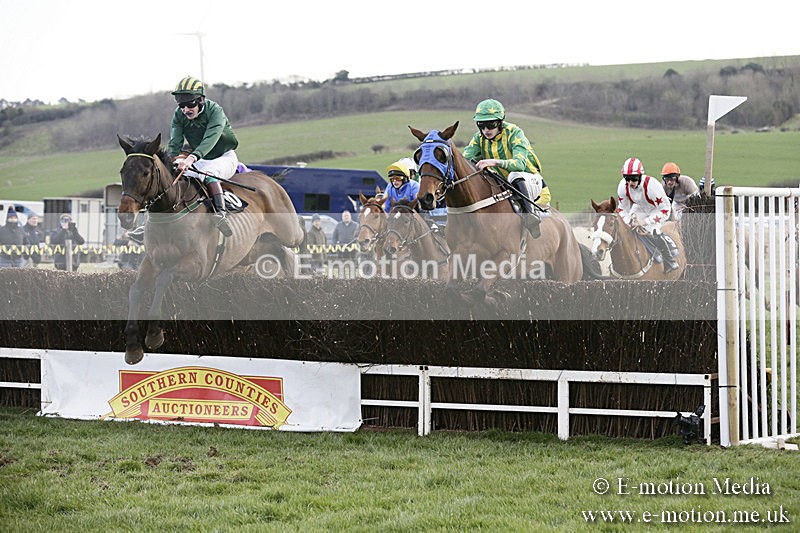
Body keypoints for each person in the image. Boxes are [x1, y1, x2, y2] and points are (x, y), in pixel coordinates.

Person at [463, 98, 545, 238]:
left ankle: (530, 217)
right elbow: (464, 161)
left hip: (531, 183)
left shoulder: (515, 133)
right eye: (481, 125)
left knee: (514, 175)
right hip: (505, 185)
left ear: (500, 122)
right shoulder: (478, 138)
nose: (486, 130)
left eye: (491, 124)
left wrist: (494, 162)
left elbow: (520, 165)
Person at [168, 75, 238, 237]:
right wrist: (169, 161)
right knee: (171, 177)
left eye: (190, 104)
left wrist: (190, 159)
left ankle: (220, 214)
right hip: (199, 159)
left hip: (223, 157)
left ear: (201, 100)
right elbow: (175, 143)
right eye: (182, 105)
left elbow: (210, 139)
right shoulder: (179, 115)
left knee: (209, 174)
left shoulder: (215, 111)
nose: (185, 110)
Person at [617, 157, 679, 273]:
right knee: (628, 228)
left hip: (656, 209)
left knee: (652, 230)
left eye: (634, 179)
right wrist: (629, 221)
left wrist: (645, 221)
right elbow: (621, 209)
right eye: (627, 179)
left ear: (640, 177)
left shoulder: (652, 186)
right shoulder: (622, 187)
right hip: (639, 206)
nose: (630, 183)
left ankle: (670, 261)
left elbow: (665, 210)